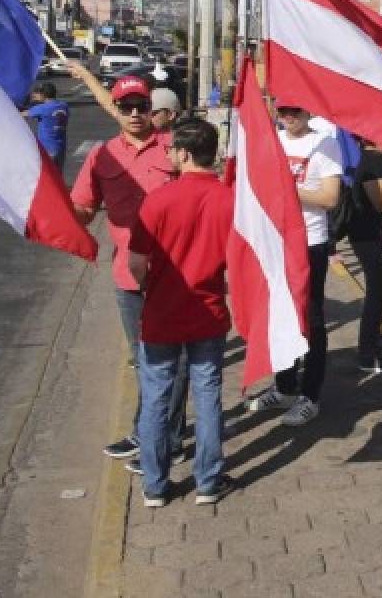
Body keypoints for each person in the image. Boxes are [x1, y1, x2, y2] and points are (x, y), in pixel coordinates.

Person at [70, 76, 187, 461]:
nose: (135, 114)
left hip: (176, 273)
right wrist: (54, 212)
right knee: (143, 359)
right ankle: (148, 432)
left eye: (141, 106)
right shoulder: (101, 156)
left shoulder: (176, 150)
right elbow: (84, 209)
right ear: (117, 111)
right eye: (126, 107)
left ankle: (166, 442)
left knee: (177, 359)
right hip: (129, 275)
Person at [128, 118, 236, 507]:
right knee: (207, 394)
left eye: (173, 149)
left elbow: (136, 263)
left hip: (161, 312)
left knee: (156, 396)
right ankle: (208, 480)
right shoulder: (228, 199)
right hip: (207, 310)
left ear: (186, 153)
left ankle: (155, 485)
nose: (169, 153)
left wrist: (147, 286)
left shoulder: (157, 199)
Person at [248, 104, 342, 426]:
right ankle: (285, 385)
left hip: (309, 243)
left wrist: (285, 189)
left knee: (312, 317)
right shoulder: (271, 140)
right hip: (275, 241)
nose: (289, 116)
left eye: (296, 110)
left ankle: (310, 396)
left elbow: (330, 198)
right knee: (280, 315)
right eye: (284, 110)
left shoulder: (324, 143)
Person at [347, 137, 382, 373]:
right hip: (372, 237)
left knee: (379, 291)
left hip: (364, 235)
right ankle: (368, 354)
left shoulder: (367, 158)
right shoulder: (377, 161)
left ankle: (375, 340)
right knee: (378, 292)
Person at [24, 81, 70, 172]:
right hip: (60, 147)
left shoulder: (43, 108)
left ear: (43, 95)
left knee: (47, 175)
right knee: (58, 175)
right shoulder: (64, 106)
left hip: (47, 149)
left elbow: (23, 114)